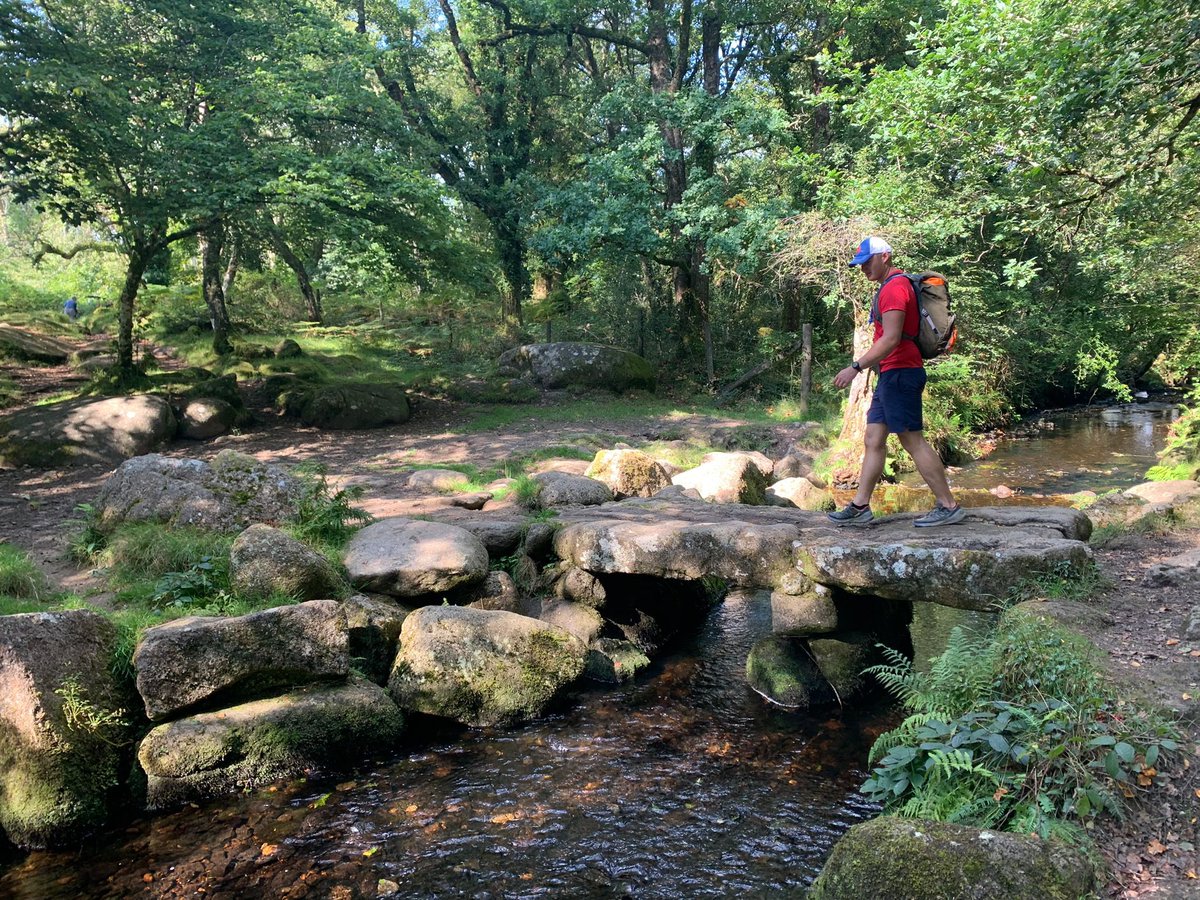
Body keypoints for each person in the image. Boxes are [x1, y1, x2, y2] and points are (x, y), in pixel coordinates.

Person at [827, 236, 965, 527]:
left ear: (885, 256)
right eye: (859, 264)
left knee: (912, 440)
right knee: (873, 438)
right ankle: (860, 507)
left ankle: (948, 506)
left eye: (867, 262)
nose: (863, 269)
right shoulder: (890, 287)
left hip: (901, 372)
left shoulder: (894, 288)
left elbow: (890, 339)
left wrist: (856, 367)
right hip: (891, 375)